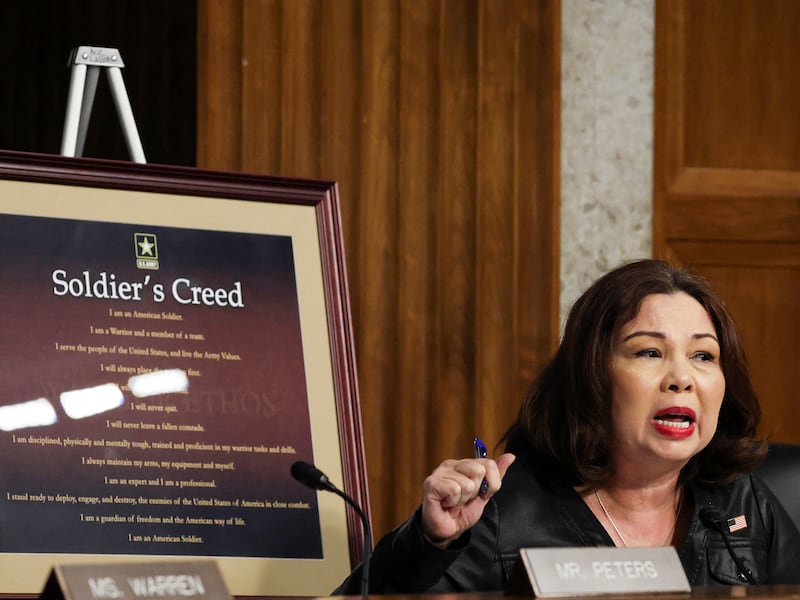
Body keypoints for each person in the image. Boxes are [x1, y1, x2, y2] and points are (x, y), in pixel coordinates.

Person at [335, 259, 800, 594]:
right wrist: (431, 542)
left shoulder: (744, 503)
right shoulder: (504, 513)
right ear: (592, 376)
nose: (681, 378)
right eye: (649, 352)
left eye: (703, 356)